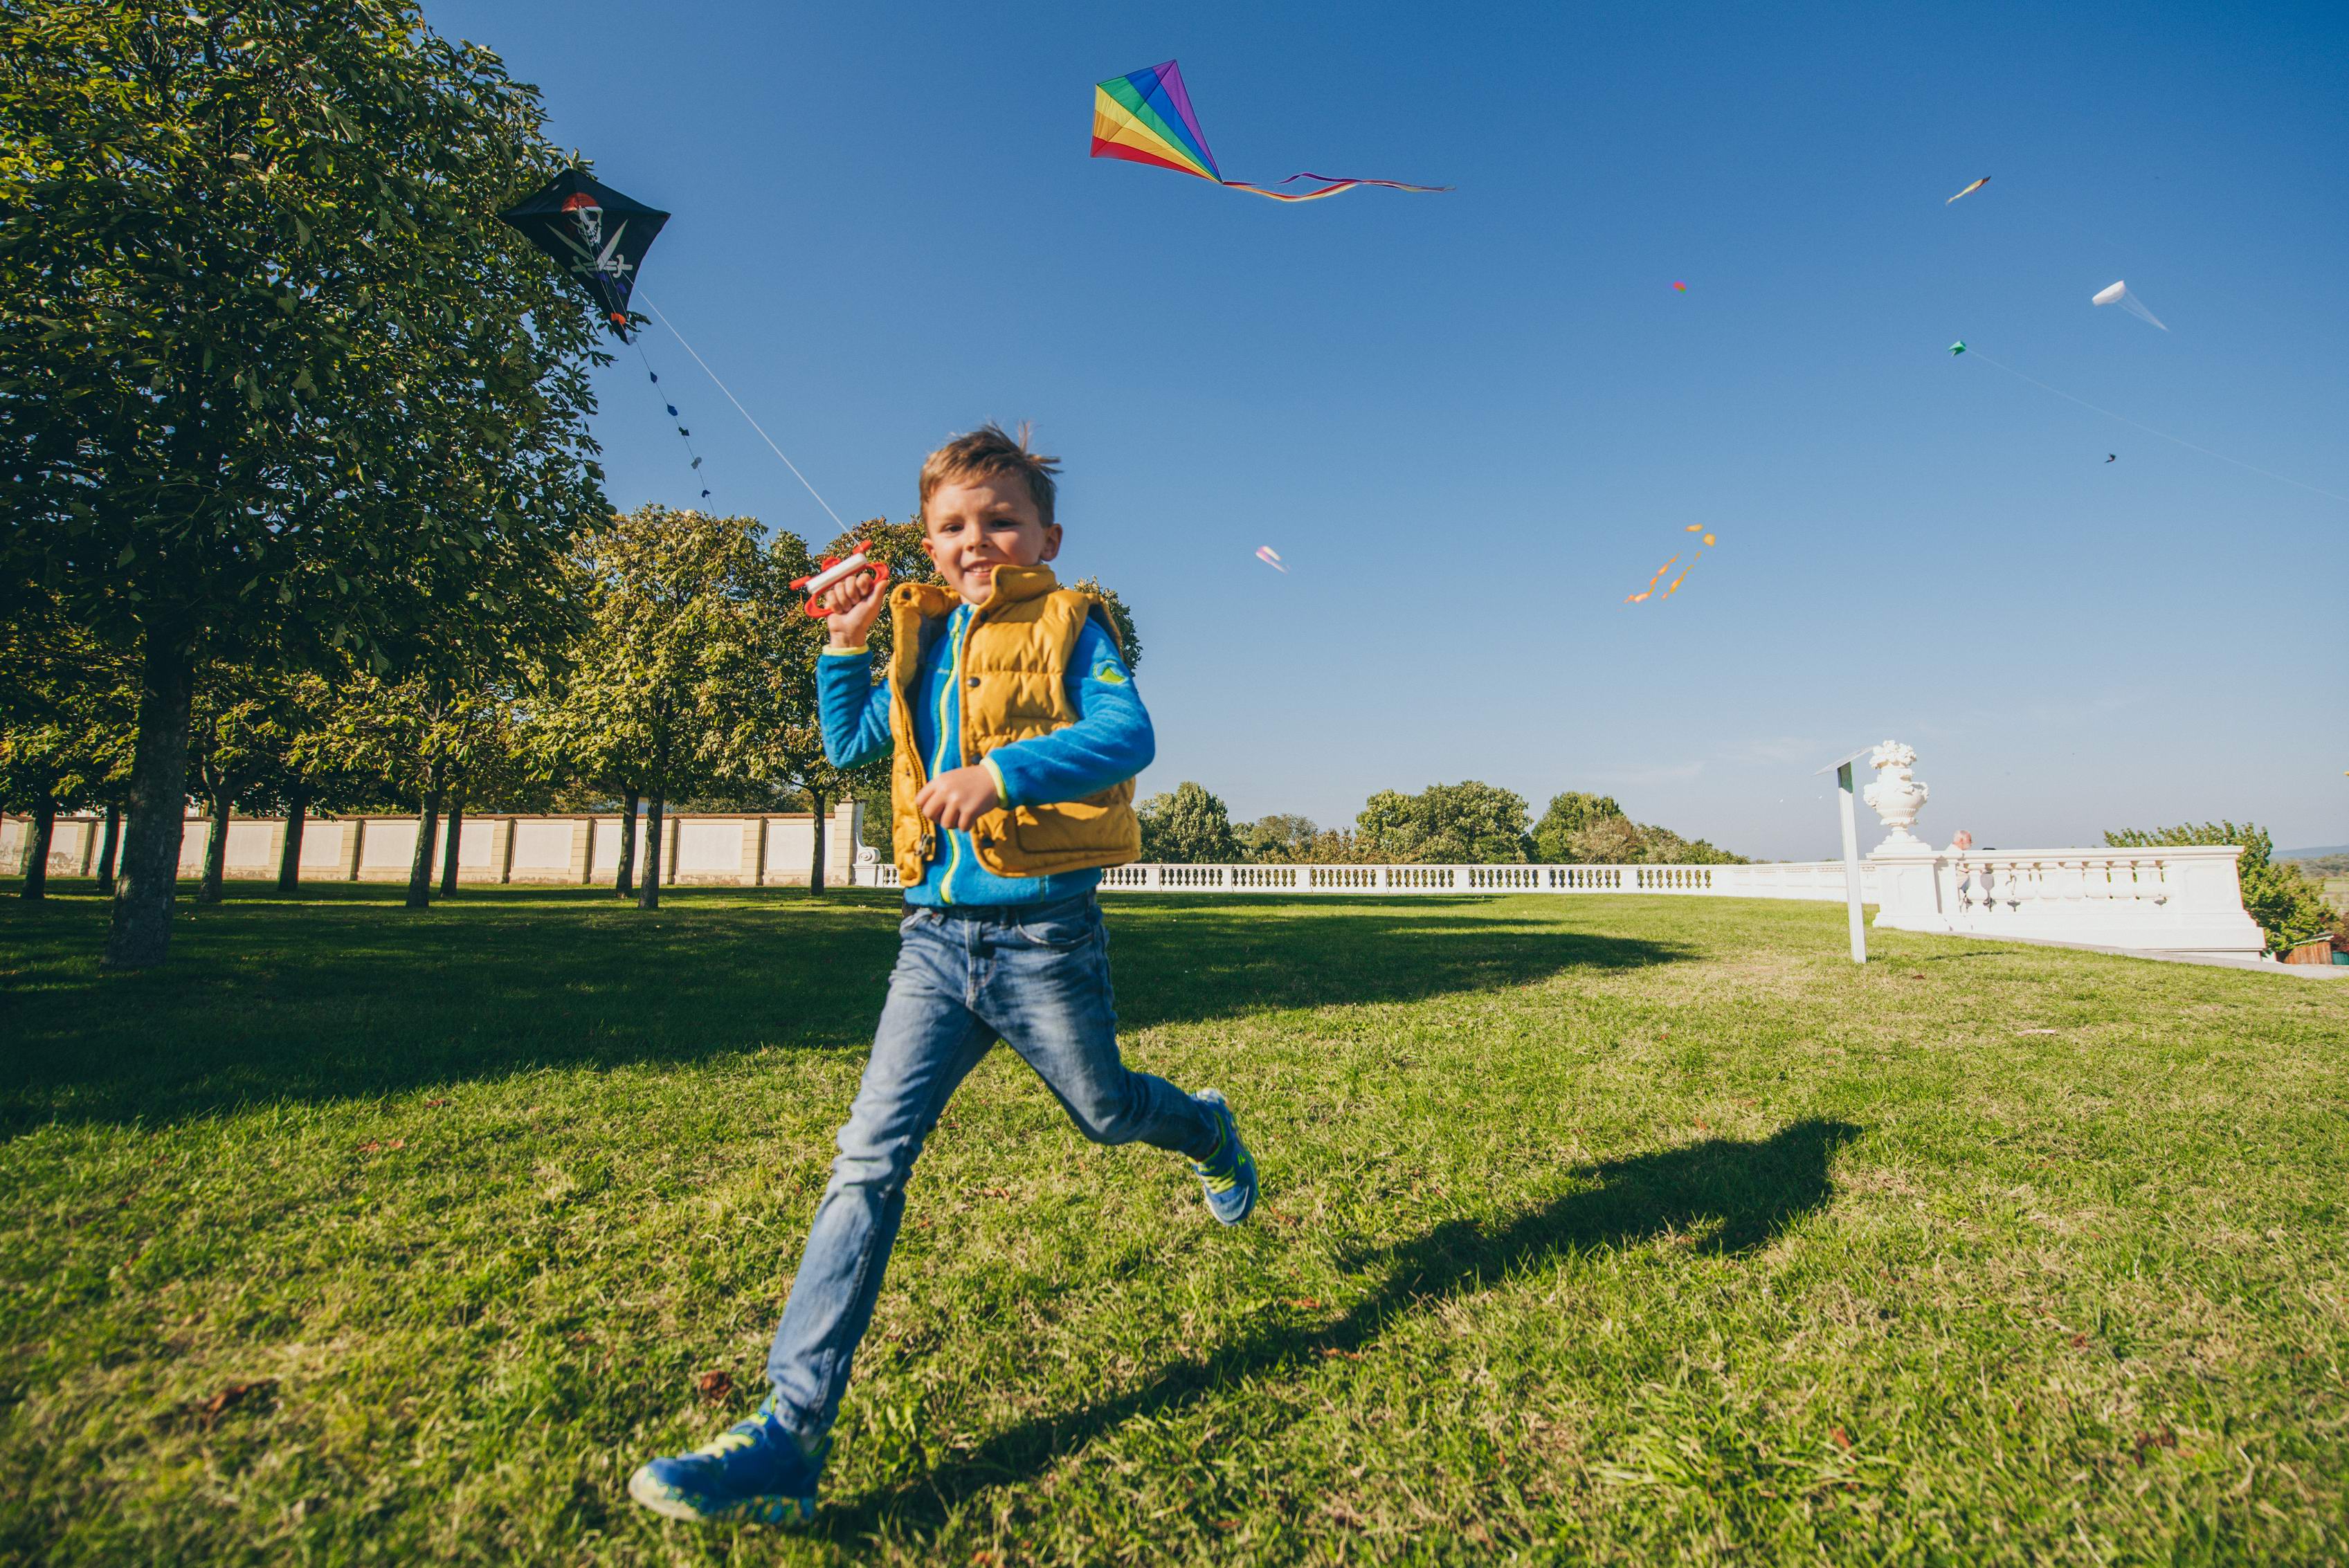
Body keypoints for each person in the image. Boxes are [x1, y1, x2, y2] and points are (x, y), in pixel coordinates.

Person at [628, 425, 1257, 1525]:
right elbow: (854, 747)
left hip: (1043, 938)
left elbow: (1128, 733)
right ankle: (789, 1433)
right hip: (930, 941)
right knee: (866, 1160)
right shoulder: (920, 637)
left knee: (1107, 1111)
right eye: (954, 526)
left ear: (1046, 537)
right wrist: (843, 648)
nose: (977, 541)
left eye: (1001, 520)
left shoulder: (1070, 622)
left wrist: (1000, 773)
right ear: (927, 544)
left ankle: (1203, 1127)